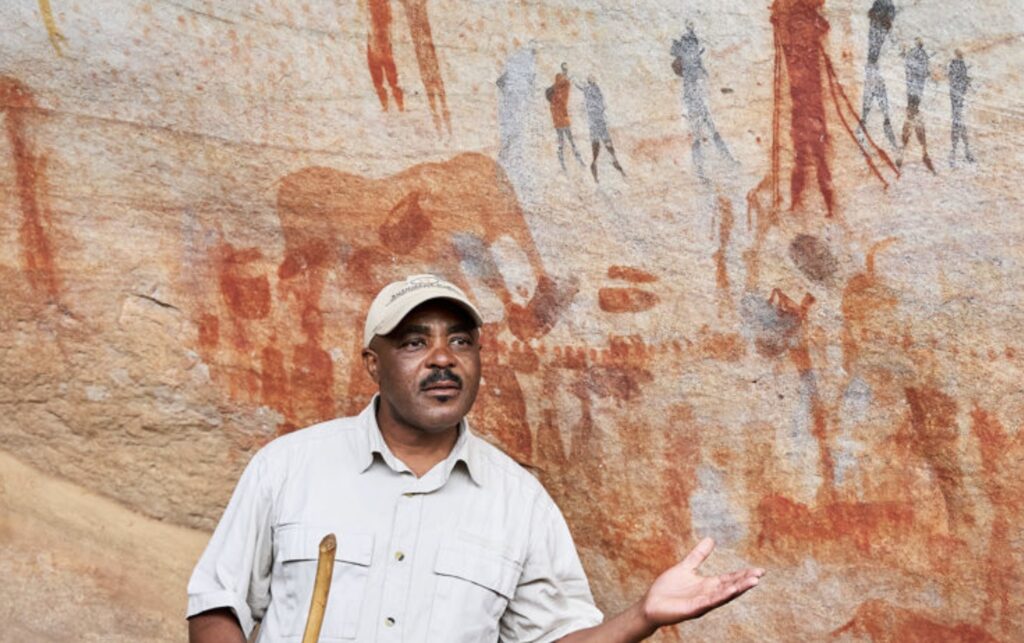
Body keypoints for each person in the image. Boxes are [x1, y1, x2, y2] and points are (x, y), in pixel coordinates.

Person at [187, 274, 764, 642]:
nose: (443, 359)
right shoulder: (288, 467)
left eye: (460, 341)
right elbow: (217, 607)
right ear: (372, 363)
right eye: (415, 342)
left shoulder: (519, 503)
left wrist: (642, 616)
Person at [670, 22, 734, 183]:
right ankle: (701, 172)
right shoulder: (689, 63)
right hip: (693, 102)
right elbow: (695, 76)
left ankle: (727, 161)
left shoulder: (692, 60)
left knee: (711, 131)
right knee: (699, 136)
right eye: (692, 46)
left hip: (698, 100)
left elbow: (701, 72)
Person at [576, 75, 625, 182]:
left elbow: (600, 105)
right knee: (600, 144)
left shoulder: (593, 90)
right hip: (596, 121)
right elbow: (580, 86)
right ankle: (605, 162)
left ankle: (612, 161)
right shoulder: (591, 90)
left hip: (598, 121)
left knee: (603, 143)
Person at [898, 38, 936, 173]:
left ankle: (906, 150)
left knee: (912, 117)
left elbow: (907, 66)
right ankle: (921, 152)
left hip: (912, 90)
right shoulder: (923, 56)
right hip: (917, 91)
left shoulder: (912, 54)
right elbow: (925, 73)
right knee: (914, 118)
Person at [547, 62, 586, 171]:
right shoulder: (560, 85)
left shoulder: (559, 92)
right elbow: (563, 83)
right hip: (561, 120)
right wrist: (567, 77)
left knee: (566, 141)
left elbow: (565, 84)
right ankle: (565, 162)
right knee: (565, 141)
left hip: (562, 119)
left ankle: (572, 161)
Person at [948, 49, 975, 166]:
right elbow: (956, 80)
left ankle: (960, 152)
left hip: (957, 98)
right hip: (957, 98)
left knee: (958, 123)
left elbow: (954, 79)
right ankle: (958, 152)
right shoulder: (957, 64)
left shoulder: (956, 65)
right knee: (958, 123)